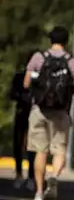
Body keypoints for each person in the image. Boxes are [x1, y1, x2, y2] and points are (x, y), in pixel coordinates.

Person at [24, 26, 74, 200]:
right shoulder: (73, 62)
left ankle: (39, 193)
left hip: (39, 110)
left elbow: (26, 84)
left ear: (51, 40)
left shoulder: (38, 57)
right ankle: (54, 176)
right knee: (59, 150)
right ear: (66, 41)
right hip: (61, 113)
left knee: (40, 152)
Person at [8, 56, 37, 189]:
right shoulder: (19, 77)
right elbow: (12, 94)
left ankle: (31, 176)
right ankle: (19, 173)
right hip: (21, 112)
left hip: (35, 114)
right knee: (18, 144)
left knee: (33, 147)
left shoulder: (38, 78)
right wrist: (21, 96)